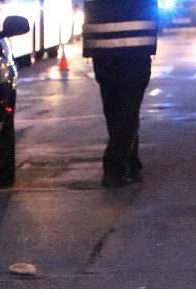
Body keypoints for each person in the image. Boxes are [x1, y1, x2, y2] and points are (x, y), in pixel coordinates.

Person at [82, 0, 159, 188]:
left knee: (114, 109)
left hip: (101, 47)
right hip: (136, 46)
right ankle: (115, 166)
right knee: (128, 109)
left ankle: (130, 163)